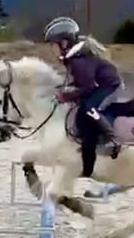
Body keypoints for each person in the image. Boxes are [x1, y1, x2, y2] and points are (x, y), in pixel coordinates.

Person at [43, 16, 123, 161]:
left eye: (53, 45)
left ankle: (112, 139)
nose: (52, 49)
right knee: (79, 107)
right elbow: (79, 83)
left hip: (111, 87)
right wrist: (62, 90)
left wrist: (65, 96)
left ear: (64, 43)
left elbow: (87, 87)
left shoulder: (79, 61)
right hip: (99, 86)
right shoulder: (73, 58)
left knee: (89, 108)